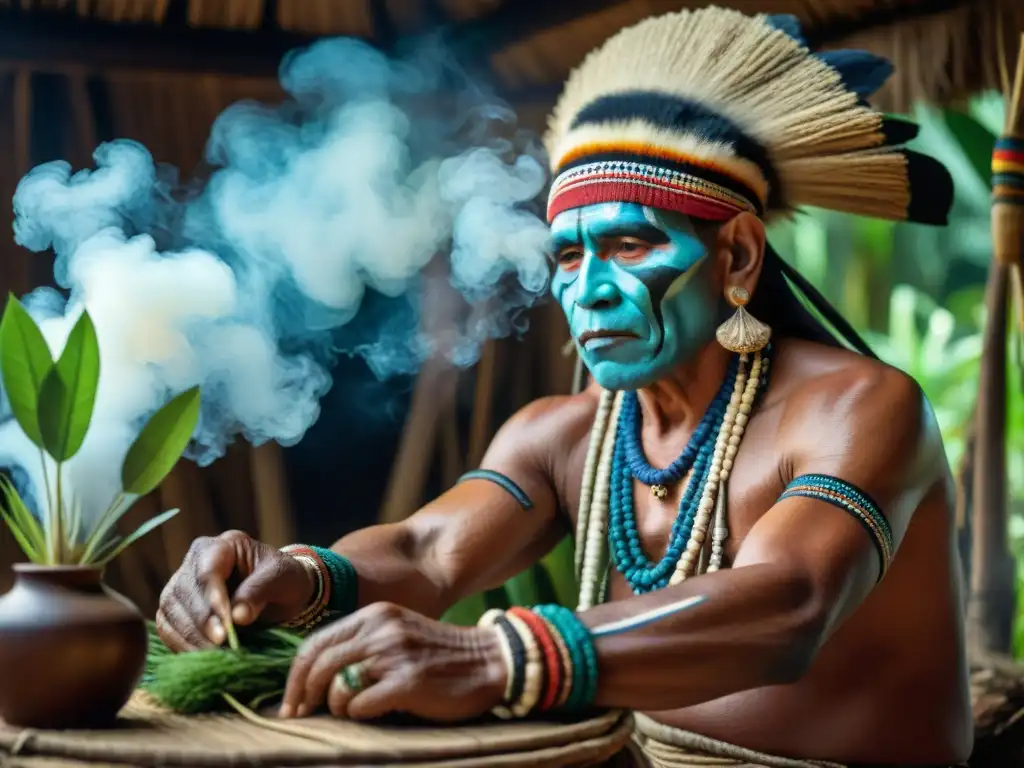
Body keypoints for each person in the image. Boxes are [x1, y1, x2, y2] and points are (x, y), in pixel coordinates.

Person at [156, 7, 973, 767]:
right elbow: (426, 550)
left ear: (738, 258)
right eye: (571, 258)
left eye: (628, 245)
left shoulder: (860, 407)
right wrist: (296, 576)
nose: (590, 290)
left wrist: (499, 657)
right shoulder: (565, 435)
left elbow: (789, 603)